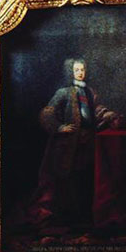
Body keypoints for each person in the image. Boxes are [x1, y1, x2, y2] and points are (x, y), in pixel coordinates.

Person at [27, 58, 119, 229]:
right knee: (68, 179)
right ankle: (68, 218)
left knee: (87, 177)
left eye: (82, 69)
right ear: (71, 72)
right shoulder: (64, 92)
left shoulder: (90, 92)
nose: (80, 73)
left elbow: (96, 110)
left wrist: (108, 115)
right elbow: (47, 113)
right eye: (77, 70)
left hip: (89, 141)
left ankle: (85, 217)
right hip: (69, 144)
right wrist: (59, 127)